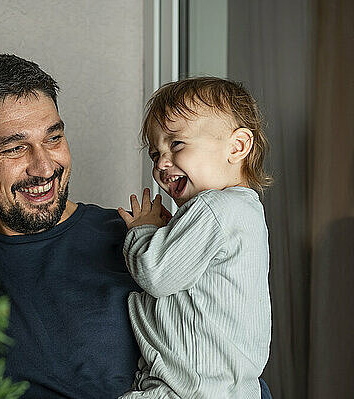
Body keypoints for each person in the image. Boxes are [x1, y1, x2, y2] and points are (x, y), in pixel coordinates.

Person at [0, 54, 272, 398]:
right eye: (14, 148)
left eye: (54, 139)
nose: (43, 167)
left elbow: (229, 366)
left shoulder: (146, 237)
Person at [117, 77, 273, 398]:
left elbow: (155, 272)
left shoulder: (214, 206)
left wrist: (143, 230)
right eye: (154, 154)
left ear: (237, 146)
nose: (161, 163)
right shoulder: (244, 211)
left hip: (189, 389)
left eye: (176, 144)